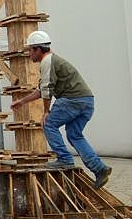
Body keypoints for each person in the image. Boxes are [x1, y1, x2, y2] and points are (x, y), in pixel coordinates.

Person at [11, 31, 112, 188]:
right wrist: (22, 101)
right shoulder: (52, 61)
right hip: (87, 101)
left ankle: (64, 159)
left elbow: (46, 90)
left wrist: (46, 111)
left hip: (72, 101)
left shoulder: (47, 62)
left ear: (38, 49)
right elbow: (40, 89)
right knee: (74, 134)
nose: (29, 53)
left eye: (30, 50)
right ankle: (100, 169)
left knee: (48, 124)